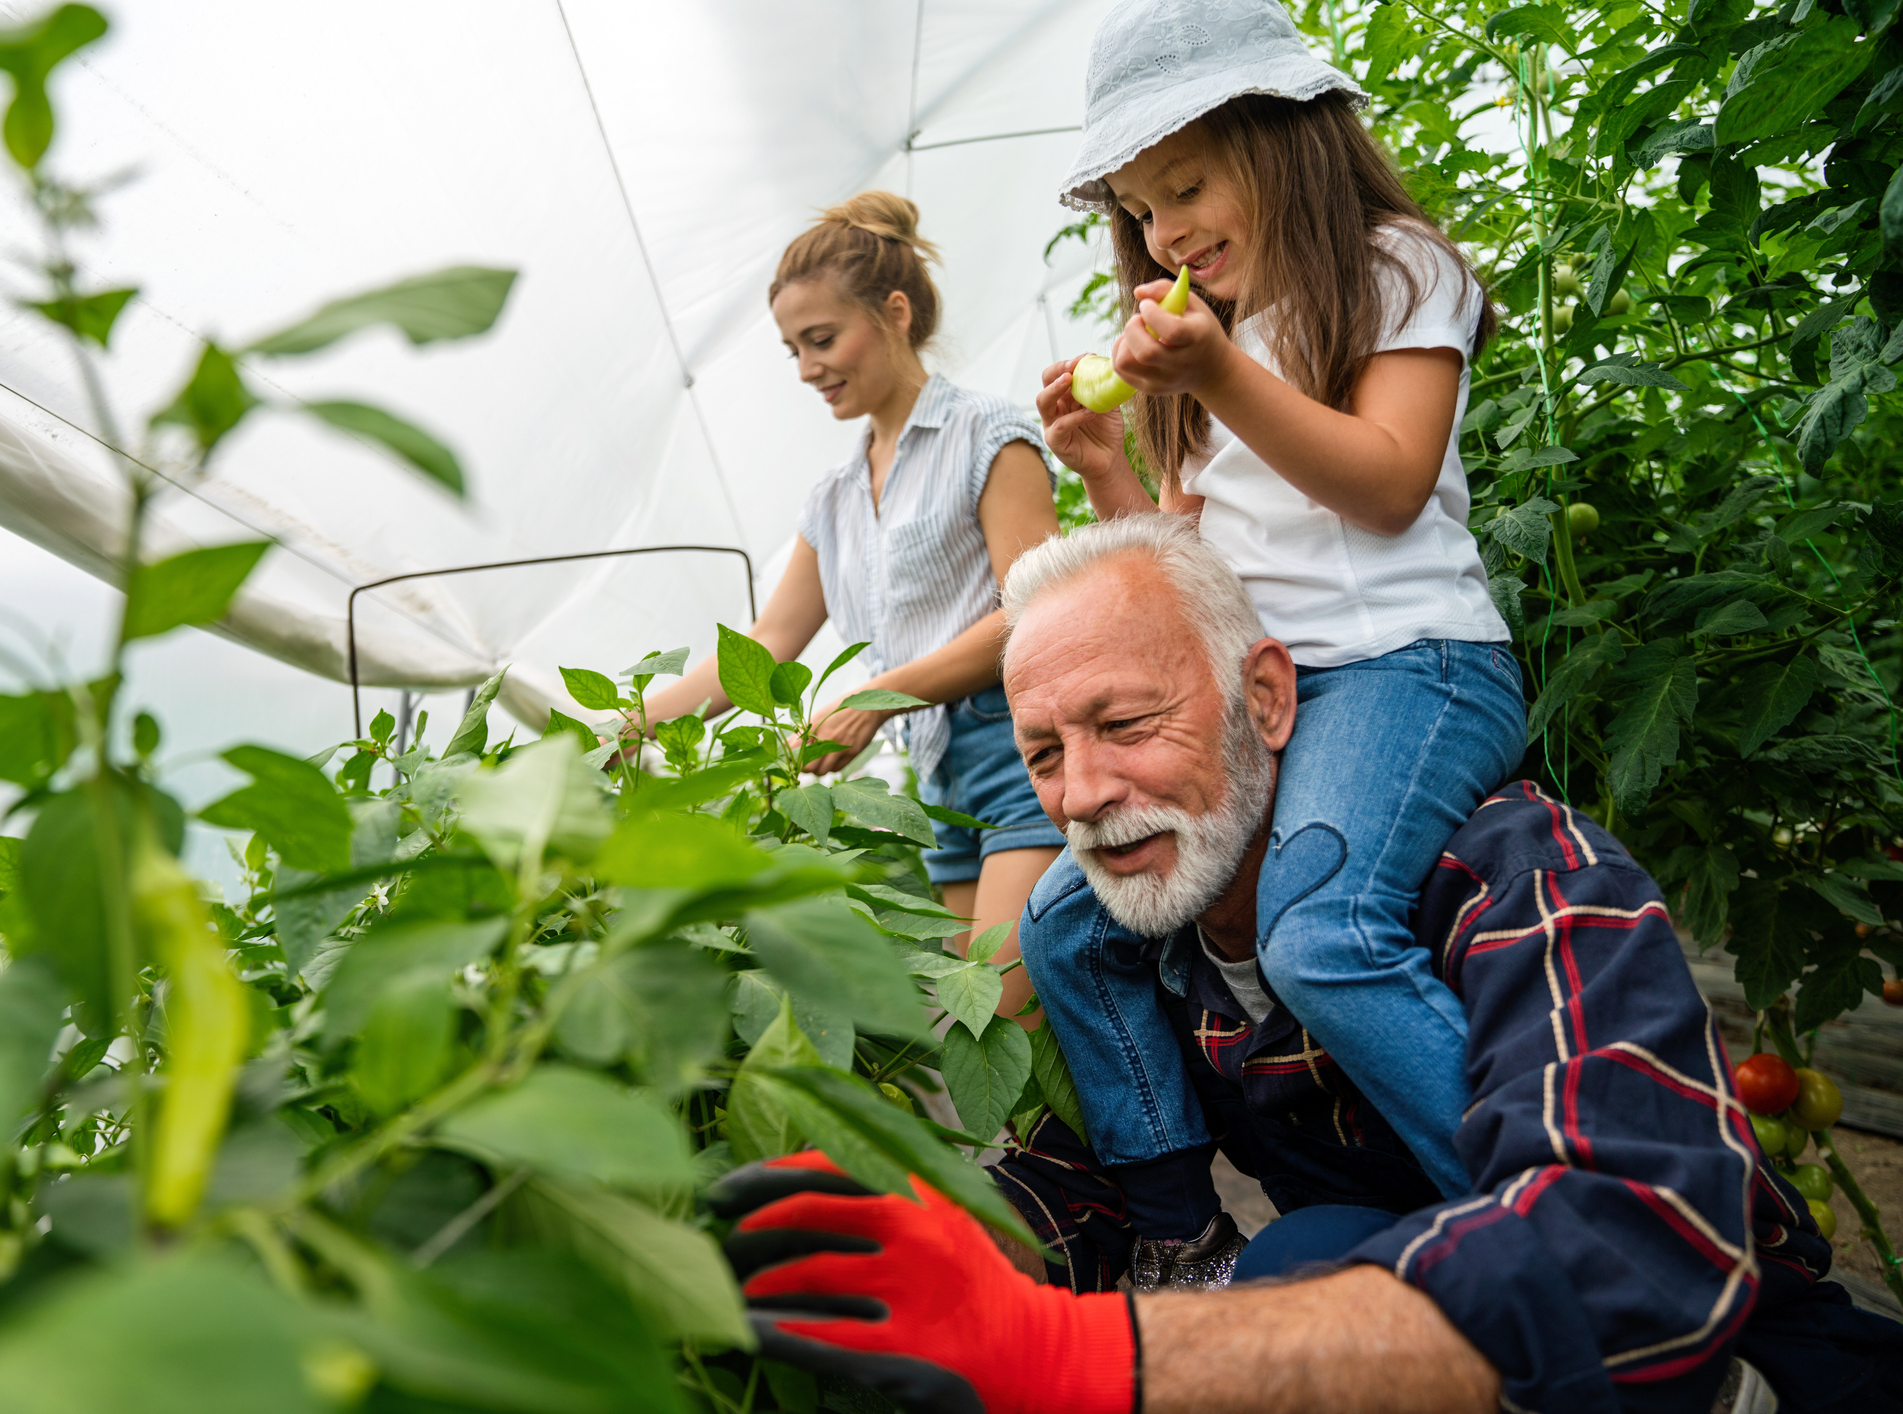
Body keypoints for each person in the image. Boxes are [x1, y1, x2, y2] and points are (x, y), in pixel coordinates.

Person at [710, 517, 1903, 1414]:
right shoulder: (1141, 946)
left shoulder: (1513, 878)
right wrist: (917, 1229)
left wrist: (1080, 1355)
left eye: (1125, 726)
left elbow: (1637, 1248)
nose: (1079, 795)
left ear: (1266, 698)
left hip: (1746, 1365)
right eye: (1041, 754)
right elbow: (1086, 1185)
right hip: (1430, 1345)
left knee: (1284, 1265)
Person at [1021, 0, 1525, 1275]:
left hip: (1410, 670)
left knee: (1323, 933)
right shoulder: (1211, 346)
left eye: (1185, 184)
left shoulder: (1394, 268)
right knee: (1063, 928)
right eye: (1139, 207)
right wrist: (1100, 465)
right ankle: (1174, 1225)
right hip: (1265, 692)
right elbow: (1185, 573)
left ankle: (1550, 1221)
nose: (1164, 228)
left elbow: (1388, 482)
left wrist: (1216, 380)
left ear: (1286, 140)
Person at [641, 193, 1063, 1005]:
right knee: (975, 1024)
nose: (807, 368)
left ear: (894, 312)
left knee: (1006, 1007)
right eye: (793, 349)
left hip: (1023, 749)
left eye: (822, 339)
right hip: (939, 776)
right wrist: (632, 728)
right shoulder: (834, 497)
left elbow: (1036, 610)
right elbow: (767, 643)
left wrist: (875, 695)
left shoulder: (989, 437)